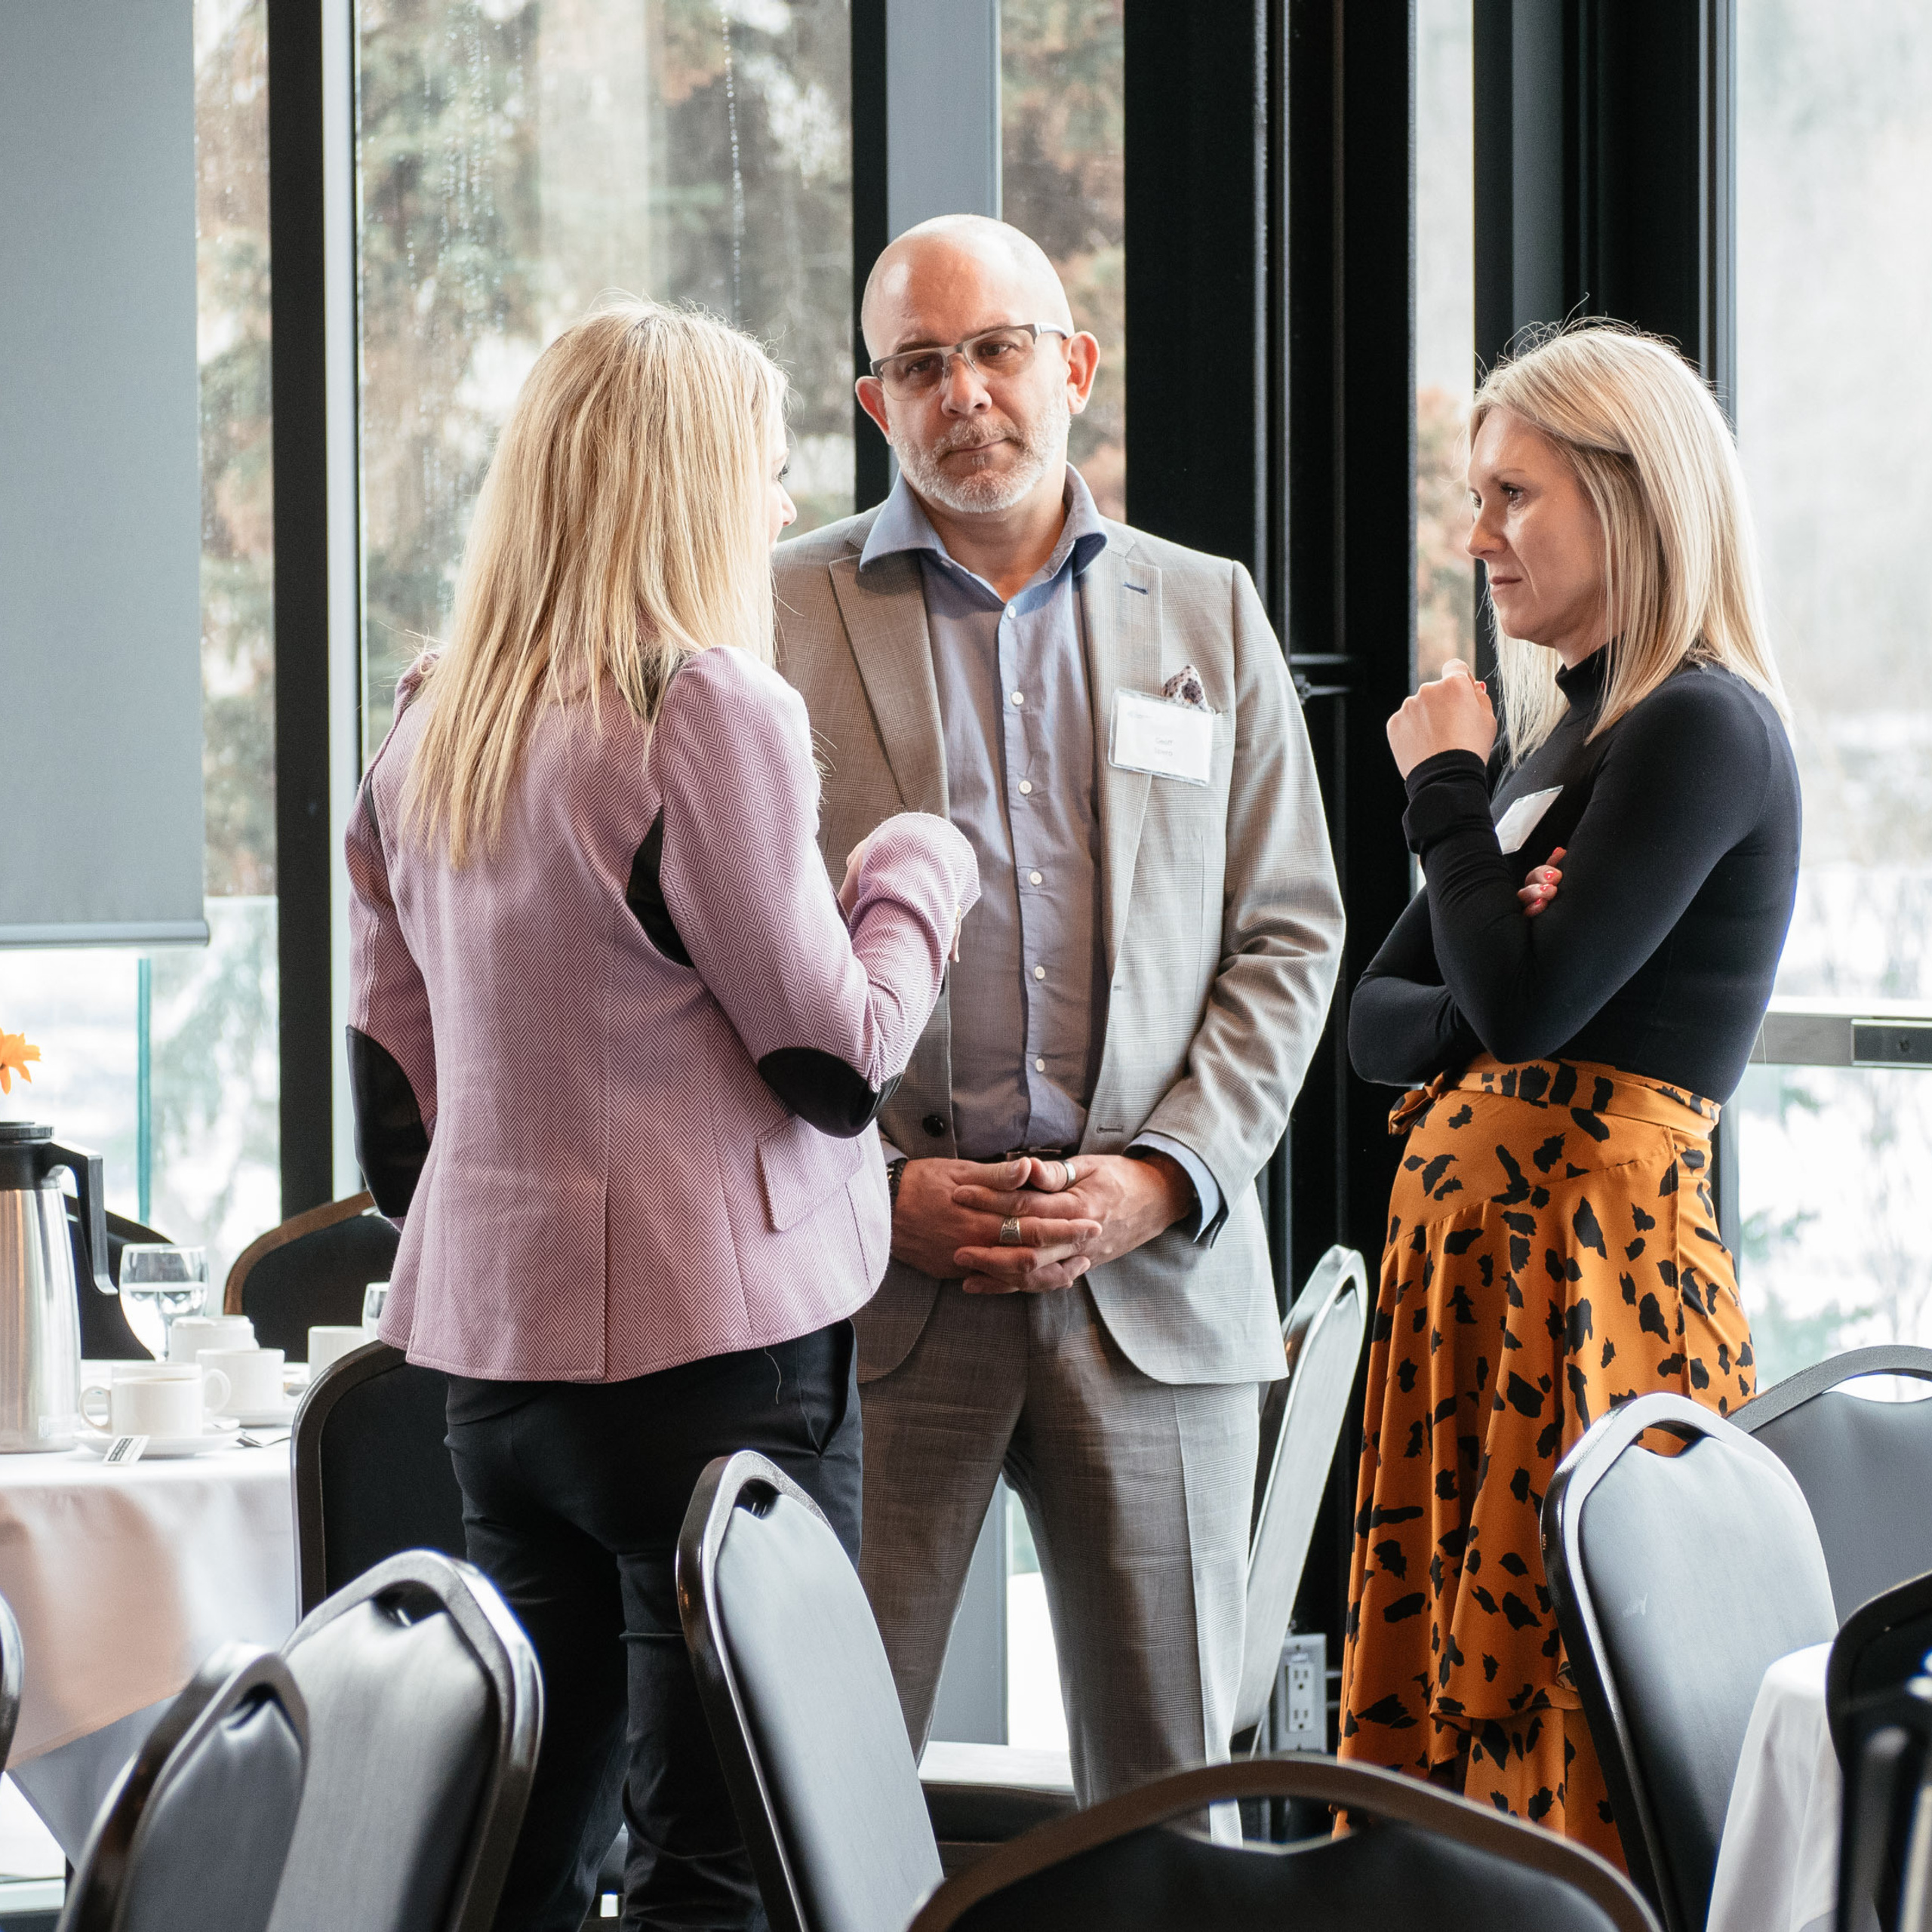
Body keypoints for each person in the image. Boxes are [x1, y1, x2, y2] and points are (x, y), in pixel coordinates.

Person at [343, 300, 979, 1932]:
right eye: (763, 467)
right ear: (684, 484)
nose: (782, 501)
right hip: (723, 1372)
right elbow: (835, 1057)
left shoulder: (429, 720)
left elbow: (393, 1102)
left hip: (501, 1377)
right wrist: (916, 872)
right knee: (717, 1854)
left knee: (523, 1849)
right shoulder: (705, 708)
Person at [772, 215, 1345, 1818]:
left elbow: (1288, 931)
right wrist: (872, 1193)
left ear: (1074, 364)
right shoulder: (776, 615)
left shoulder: (1208, 612)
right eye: (921, 364)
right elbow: (717, 964)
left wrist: (1161, 1175)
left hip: (1151, 1293)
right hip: (877, 1295)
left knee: (1168, 1805)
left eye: (997, 349)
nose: (964, 392)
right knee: (821, 1794)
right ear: (876, 404)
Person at [1337, 323, 1799, 1862]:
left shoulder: (1698, 725)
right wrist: (1498, 949)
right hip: (1471, 1308)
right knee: (1452, 1738)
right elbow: (1377, 1020)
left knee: (1568, 1721)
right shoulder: (1566, 736)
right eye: (1475, 496)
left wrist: (1443, 794)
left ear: (1631, 497)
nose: (1475, 536)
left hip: (1587, 1296)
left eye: (1511, 495)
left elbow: (1523, 1000)